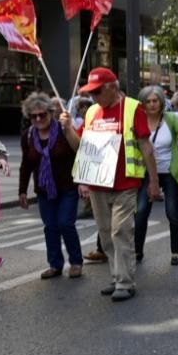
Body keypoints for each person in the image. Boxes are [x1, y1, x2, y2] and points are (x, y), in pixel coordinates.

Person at [60, 67, 160, 302]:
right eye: (91, 93)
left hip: (125, 183)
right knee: (105, 234)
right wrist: (67, 130)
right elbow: (80, 147)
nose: (94, 97)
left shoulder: (133, 108)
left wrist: (153, 181)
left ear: (113, 87)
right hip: (98, 185)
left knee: (120, 231)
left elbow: (146, 146)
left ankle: (126, 282)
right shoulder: (93, 112)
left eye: (98, 92)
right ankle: (117, 277)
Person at [18, 93, 83, 279]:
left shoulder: (63, 130)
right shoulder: (28, 136)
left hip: (68, 187)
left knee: (65, 223)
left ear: (51, 112)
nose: (38, 119)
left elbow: (79, 150)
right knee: (50, 227)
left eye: (42, 114)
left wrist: (69, 128)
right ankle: (55, 265)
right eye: (33, 116)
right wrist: (22, 190)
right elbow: (26, 164)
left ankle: (76, 262)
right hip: (44, 189)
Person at [134, 85, 178, 266]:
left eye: (155, 100)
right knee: (141, 212)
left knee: (172, 212)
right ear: (142, 104)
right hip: (147, 173)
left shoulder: (171, 119)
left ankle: (175, 252)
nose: (151, 104)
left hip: (170, 171)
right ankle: (137, 250)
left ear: (161, 101)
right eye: (147, 101)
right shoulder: (138, 120)